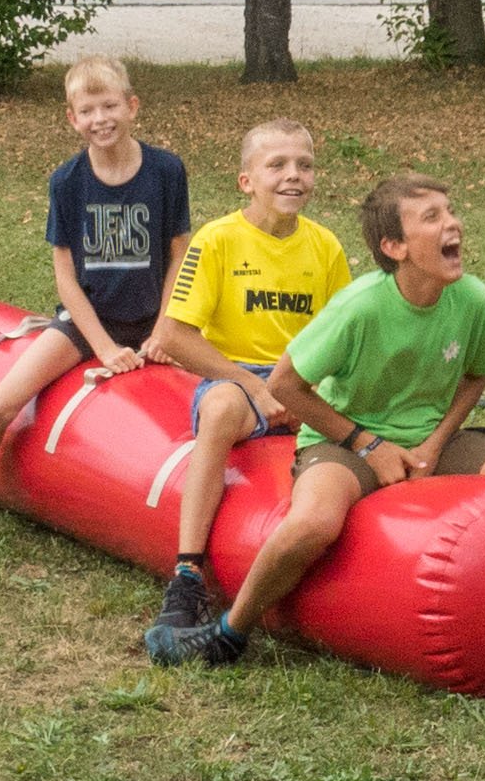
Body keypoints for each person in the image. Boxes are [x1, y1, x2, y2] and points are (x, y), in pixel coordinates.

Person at [156, 172, 485, 669]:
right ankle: (230, 632)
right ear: (395, 247)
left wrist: (435, 444)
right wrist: (366, 444)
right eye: (432, 217)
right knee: (313, 523)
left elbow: (476, 373)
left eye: (450, 211)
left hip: (431, 440)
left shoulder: (472, 298)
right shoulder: (360, 307)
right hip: (343, 442)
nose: (453, 223)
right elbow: (285, 384)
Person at [0, 57, 188, 548]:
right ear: (72, 118)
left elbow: (180, 255)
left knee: (221, 388)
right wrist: (102, 346)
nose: (101, 119)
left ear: (132, 106)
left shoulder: (165, 170)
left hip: (156, 320)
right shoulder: (68, 181)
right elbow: (66, 278)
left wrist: (164, 331)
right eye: (87, 111)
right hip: (85, 322)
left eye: (110, 106)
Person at [142, 114, 351, 653]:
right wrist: (257, 389)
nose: (293, 175)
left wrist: (309, 396)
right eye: (276, 164)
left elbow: (344, 340)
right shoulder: (217, 240)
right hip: (235, 377)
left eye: (305, 164)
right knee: (219, 411)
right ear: (246, 181)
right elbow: (174, 335)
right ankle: (188, 574)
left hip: (298, 380)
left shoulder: (326, 247)